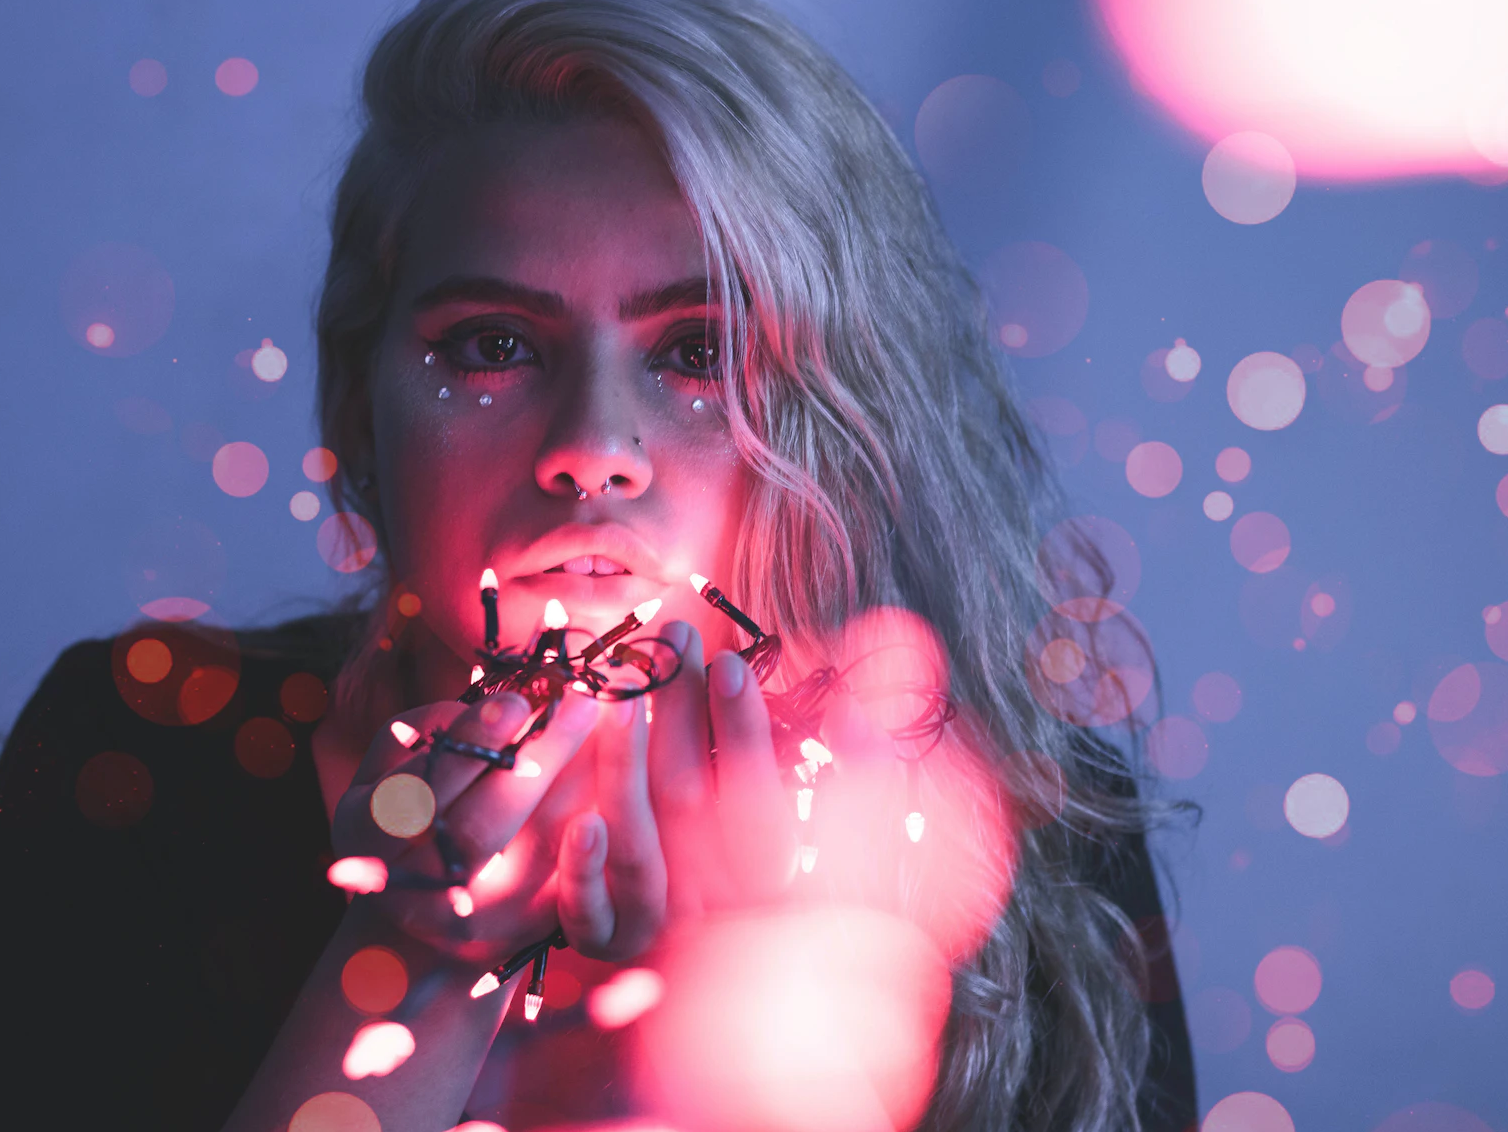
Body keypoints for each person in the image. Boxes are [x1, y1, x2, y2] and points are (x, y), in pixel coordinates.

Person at [0, 0, 1197, 1128]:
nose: (590, 453)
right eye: (495, 344)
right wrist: (414, 967)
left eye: (696, 352)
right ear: (360, 408)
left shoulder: (1023, 832)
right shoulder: (142, 751)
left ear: (843, 415)